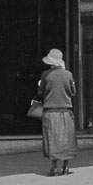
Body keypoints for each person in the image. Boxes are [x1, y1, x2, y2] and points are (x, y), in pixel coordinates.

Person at [38, 48, 77, 176]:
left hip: (50, 111)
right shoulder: (68, 74)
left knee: (52, 139)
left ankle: (54, 167)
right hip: (66, 111)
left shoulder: (45, 75)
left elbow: (41, 92)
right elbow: (73, 92)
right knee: (67, 139)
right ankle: (66, 166)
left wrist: (40, 85)